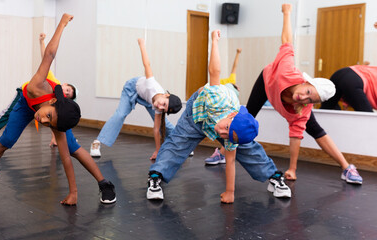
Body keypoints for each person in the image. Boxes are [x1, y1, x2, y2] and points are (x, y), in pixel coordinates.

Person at [0, 14, 116, 205]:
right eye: (48, 117)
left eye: (49, 123)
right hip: (26, 103)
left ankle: (104, 184)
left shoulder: (55, 118)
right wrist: (62, 23)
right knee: (6, 140)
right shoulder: (37, 85)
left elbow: (65, 157)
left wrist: (73, 193)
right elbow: (49, 54)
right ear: (52, 101)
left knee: (73, 149)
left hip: (47, 110)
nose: (43, 122)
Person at [146, 30, 291, 203]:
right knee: (178, 142)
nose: (220, 133)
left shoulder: (230, 134)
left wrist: (230, 191)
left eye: (226, 135)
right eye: (226, 129)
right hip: (198, 112)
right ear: (230, 116)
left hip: (226, 118)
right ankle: (155, 177)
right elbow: (215, 71)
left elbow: (229, 162)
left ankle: (274, 177)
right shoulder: (218, 100)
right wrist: (214, 41)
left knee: (247, 148)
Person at [245, 3, 362, 184]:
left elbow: (295, 137)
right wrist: (286, 13)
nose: (303, 97)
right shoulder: (287, 69)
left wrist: (292, 169)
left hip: (285, 100)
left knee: (315, 129)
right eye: (307, 92)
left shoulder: (302, 109)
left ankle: (347, 168)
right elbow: (286, 40)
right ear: (305, 82)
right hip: (268, 79)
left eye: (310, 100)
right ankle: (222, 152)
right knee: (247, 116)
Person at [90, 38, 183, 160]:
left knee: (163, 124)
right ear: (166, 95)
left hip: (148, 98)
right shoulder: (152, 85)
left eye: (164, 109)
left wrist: (157, 150)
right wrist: (142, 45)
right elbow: (146, 64)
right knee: (120, 114)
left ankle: (182, 144)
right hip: (132, 89)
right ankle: (97, 142)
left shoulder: (158, 105)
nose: (160, 107)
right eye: (163, 104)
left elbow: (156, 129)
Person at [0, 33, 78, 148]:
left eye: (68, 95)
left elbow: (53, 122)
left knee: (48, 116)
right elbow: (46, 57)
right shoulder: (54, 81)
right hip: (25, 94)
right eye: (67, 90)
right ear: (65, 84)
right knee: (9, 112)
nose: (66, 93)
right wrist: (42, 42)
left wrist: (55, 138)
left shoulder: (56, 101)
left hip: (36, 105)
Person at [205, 48, 242, 165]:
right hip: (219, 100)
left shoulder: (231, 91)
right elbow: (234, 67)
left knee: (230, 134)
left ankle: (221, 153)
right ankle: (221, 153)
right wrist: (237, 54)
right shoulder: (230, 81)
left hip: (227, 106)